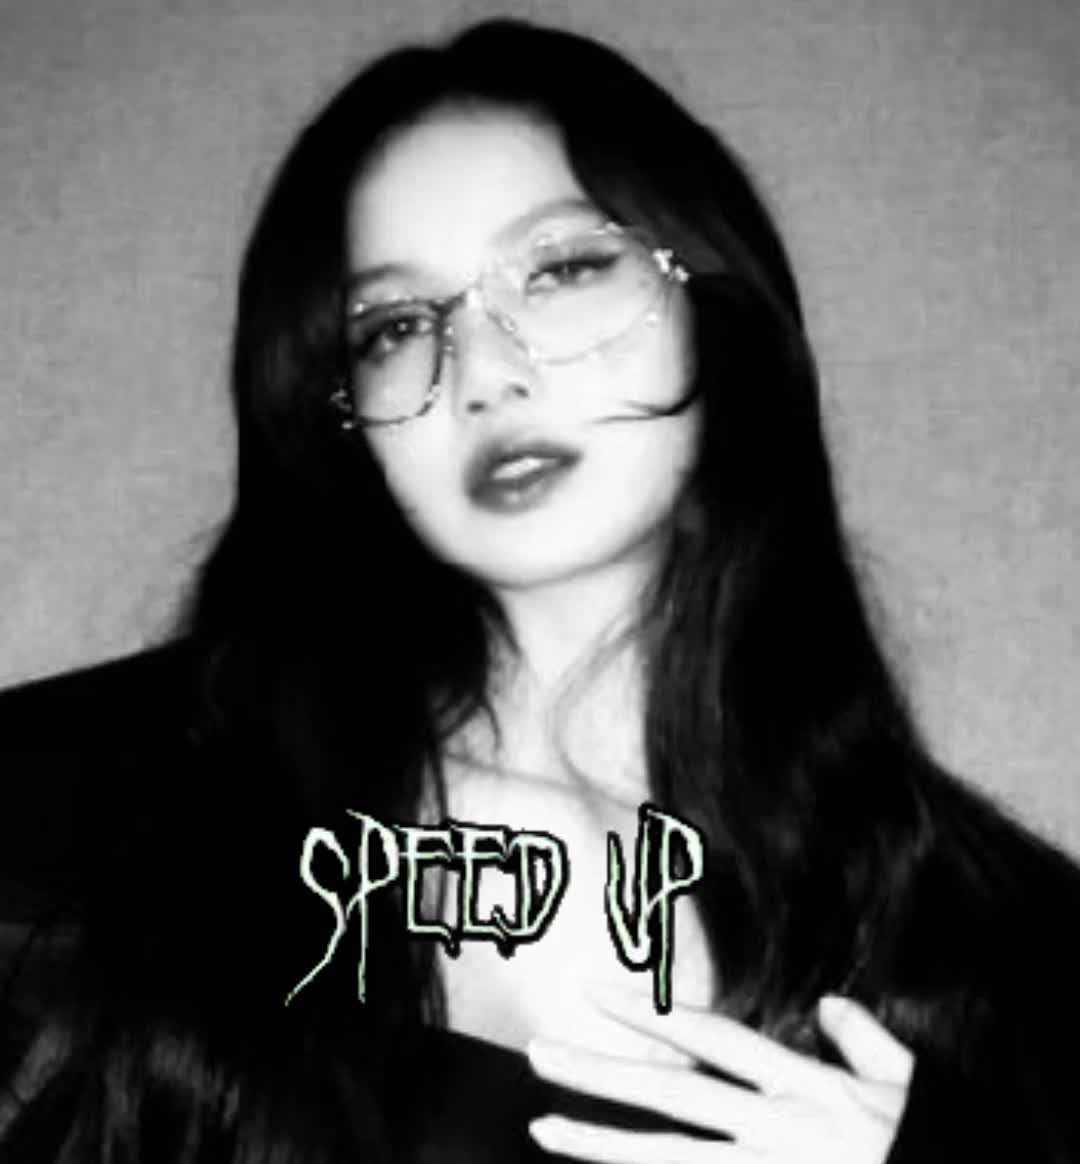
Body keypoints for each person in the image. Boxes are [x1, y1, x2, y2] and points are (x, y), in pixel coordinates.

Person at [2, 16, 1079, 1164]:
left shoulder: (1010, 954)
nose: (484, 373)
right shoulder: (77, 818)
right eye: (397, 326)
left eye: (562, 270)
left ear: (713, 313)